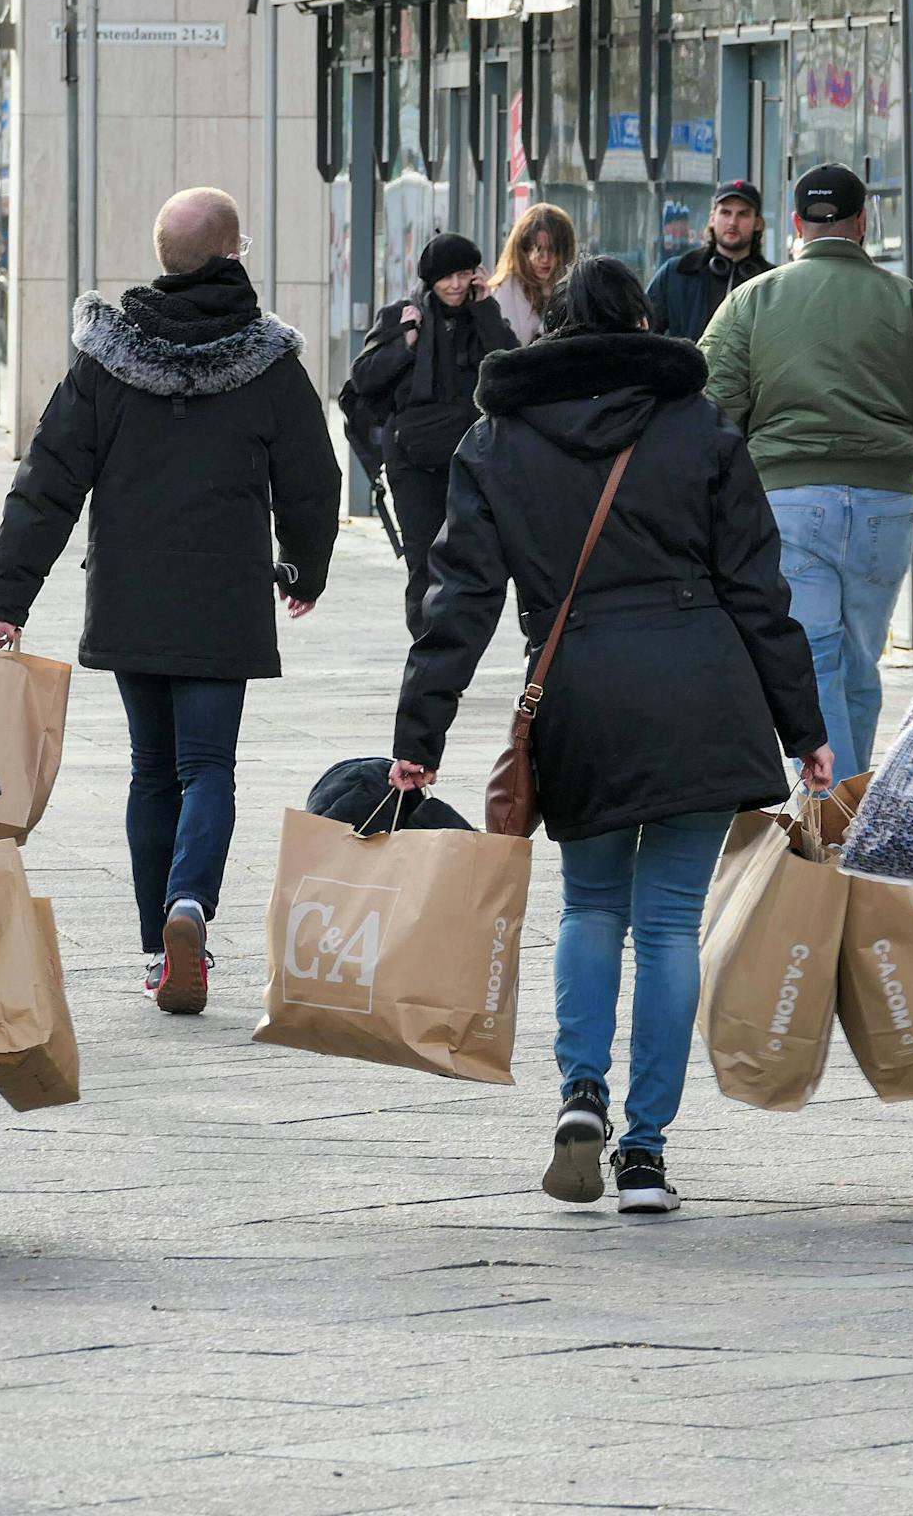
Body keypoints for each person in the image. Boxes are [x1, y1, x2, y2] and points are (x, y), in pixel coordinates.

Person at [389, 257, 831, 1214]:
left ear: (551, 321)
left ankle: (579, 1089)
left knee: (592, 907)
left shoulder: (498, 437)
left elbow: (456, 598)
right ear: (640, 320)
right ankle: (644, 1154)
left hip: (578, 693)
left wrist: (419, 733)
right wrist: (806, 726)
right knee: (670, 923)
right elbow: (759, 590)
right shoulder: (699, 428)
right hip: (699, 694)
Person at [0, 188, 340, 1017]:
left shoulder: (106, 359)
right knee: (207, 765)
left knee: (151, 770)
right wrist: (307, 570)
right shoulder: (269, 361)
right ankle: (190, 908)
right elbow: (313, 483)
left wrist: (9, 596)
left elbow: (48, 481)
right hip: (225, 594)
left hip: (131, 593)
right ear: (230, 256)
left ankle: (156, 949)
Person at [700, 163, 913, 778]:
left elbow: (714, 410)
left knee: (815, 659)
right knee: (863, 659)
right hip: (886, 502)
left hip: (789, 499)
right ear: (863, 223)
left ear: (795, 223)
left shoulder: (753, 299)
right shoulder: (910, 302)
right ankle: (851, 797)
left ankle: (830, 811)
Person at [350, 234, 519, 635]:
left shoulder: (483, 316)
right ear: (430, 280)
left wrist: (486, 311)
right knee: (423, 560)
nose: (456, 286)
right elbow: (363, 377)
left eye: (464, 275)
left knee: (471, 557)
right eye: (447, 278)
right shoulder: (402, 315)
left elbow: (510, 367)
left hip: (471, 460)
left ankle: (453, 643)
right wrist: (406, 344)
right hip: (412, 460)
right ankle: (426, 648)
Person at [646, 180, 772, 342]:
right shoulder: (676, 273)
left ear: (758, 223)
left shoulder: (772, 281)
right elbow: (643, 332)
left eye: (743, 214)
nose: (733, 222)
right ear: (712, 218)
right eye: (725, 213)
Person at [489, 204, 577, 345]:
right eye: (536, 249)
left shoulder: (576, 291)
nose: (545, 259)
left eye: (553, 250)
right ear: (522, 250)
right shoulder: (506, 290)